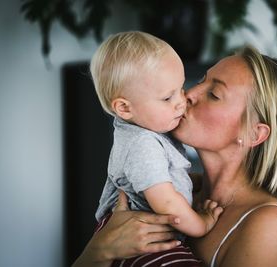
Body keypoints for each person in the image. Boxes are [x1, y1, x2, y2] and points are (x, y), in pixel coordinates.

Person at [73, 44, 277, 267]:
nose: (189, 94)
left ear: (253, 133)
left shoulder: (268, 225)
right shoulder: (173, 189)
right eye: (201, 80)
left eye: (214, 94)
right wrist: (99, 250)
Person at [88, 31, 224, 266]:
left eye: (180, 88)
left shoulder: (147, 131)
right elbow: (167, 204)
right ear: (124, 108)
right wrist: (203, 223)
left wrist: (198, 182)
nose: (181, 101)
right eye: (167, 98)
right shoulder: (143, 144)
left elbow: (164, 177)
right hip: (142, 242)